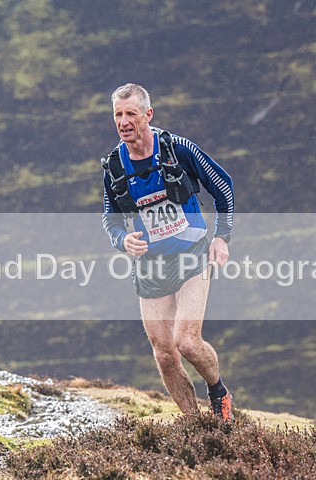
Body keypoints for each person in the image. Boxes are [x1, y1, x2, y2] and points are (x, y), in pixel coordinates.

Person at [101, 83, 235, 421]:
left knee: (186, 342)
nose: (124, 121)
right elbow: (110, 218)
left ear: (148, 115)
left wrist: (222, 237)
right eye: (118, 114)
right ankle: (195, 424)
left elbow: (223, 187)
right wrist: (123, 241)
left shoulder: (177, 148)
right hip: (151, 265)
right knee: (164, 354)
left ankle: (218, 392)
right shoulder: (114, 166)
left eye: (131, 113)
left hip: (191, 255)